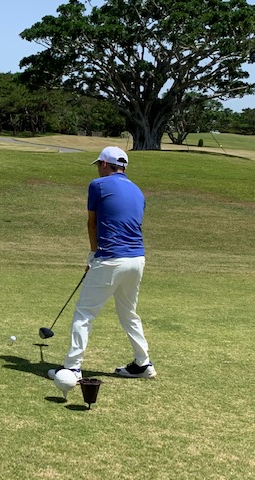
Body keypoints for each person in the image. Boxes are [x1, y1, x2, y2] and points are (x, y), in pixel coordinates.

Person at [49, 146, 156, 381]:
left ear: (105, 164)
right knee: (128, 313)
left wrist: (92, 255)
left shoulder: (97, 185)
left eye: (98, 164)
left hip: (110, 258)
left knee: (84, 313)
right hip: (137, 259)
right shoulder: (138, 191)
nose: (98, 169)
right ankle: (143, 363)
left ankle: (73, 367)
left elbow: (92, 223)